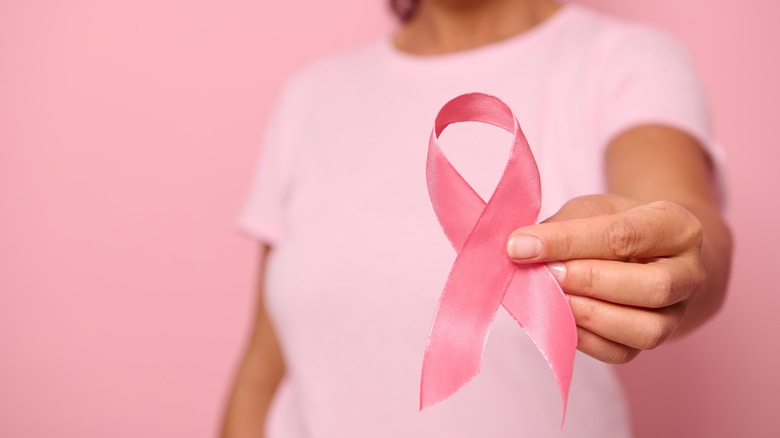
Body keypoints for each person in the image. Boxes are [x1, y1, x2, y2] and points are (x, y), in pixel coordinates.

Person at [221, 0, 733, 436]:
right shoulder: (311, 96)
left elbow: (681, 219)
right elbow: (263, 370)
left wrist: (672, 257)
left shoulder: (624, 61)